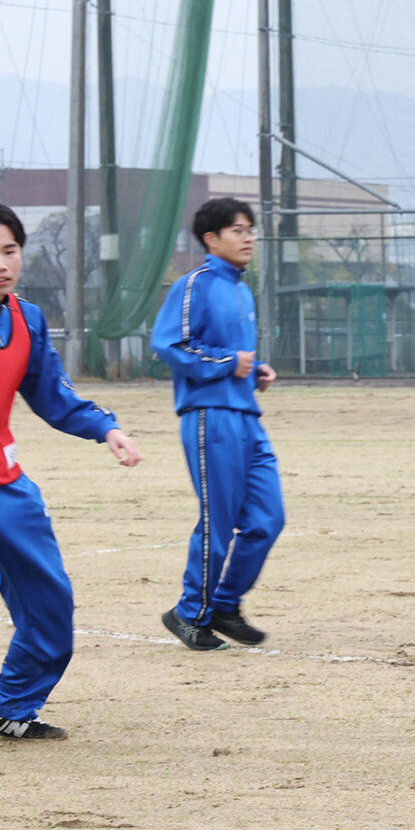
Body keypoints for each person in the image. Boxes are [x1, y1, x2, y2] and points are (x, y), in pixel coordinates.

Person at [0, 202, 142, 740]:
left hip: (6, 486)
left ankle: (12, 709)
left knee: (52, 603)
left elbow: (53, 395)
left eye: (8, 250)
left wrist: (106, 428)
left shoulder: (27, 320)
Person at [152, 197, 284, 652]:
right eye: (238, 230)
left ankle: (224, 604)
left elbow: (234, 357)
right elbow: (170, 344)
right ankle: (190, 613)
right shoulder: (195, 284)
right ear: (211, 239)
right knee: (220, 521)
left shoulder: (241, 288)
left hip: (246, 417)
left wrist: (256, 368)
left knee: (268, 518)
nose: (249, 237)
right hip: (210, 418)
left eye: (251, 229)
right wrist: (231, 362)